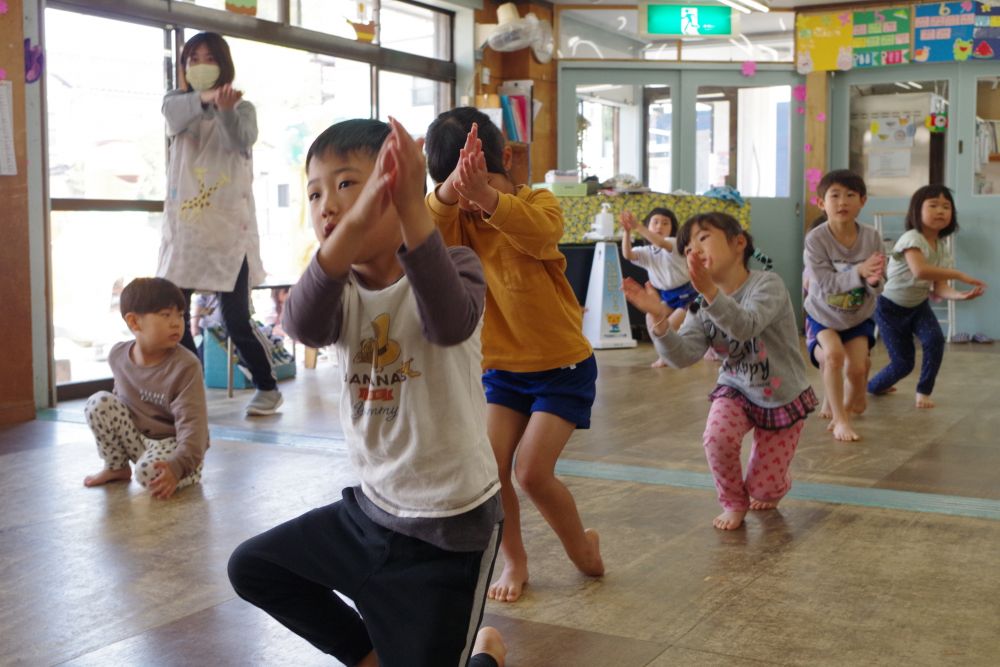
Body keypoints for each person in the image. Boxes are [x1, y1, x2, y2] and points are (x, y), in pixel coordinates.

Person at [227, 117, 506, 667]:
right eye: (315, 192)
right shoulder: (338, 292)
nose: (327, 204)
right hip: (369, 515)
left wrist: (411, 210)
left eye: (348, 184)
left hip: (448, 533)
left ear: (399, 192)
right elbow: (302, 325)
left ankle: (486, 655)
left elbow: (447, 323)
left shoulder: (455, 266)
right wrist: (350, 230)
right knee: (253, 566)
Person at [424, 107, 604, 604]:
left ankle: (583, 551)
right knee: (492, 471)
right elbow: (428, 232)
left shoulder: (536, 201)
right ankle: (515, 560)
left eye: (483, 182)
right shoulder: (457, 222)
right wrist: (449, 194)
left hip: (563, 366)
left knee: (531, 472)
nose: (470, 201)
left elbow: (540, 235)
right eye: (457, 189)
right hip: (503, 370)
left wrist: (485, 194)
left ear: (506, 160)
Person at [623, 213, 817, 530]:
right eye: (685, 248)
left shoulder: (767, 284)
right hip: (736, 387)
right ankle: (732, 502)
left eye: (703, 238)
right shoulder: (700, 305)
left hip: (782, 393)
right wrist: (659, 317)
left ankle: (774, 484)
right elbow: (683, 356)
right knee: (717, 438)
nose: (693, 251)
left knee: (764, 490)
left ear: (738, 243)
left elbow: (746, 326)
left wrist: (711, 293)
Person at [158, 31, 282, 416]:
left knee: (235, 319)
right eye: (193, 58)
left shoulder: (243, 109)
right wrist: (207, 99)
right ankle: (190, 383)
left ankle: (267, 386)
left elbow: (239, 139)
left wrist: (224, 107)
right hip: (188, 232)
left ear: (223, 64)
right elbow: (176, 116)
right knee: (170, 312)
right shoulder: (176, 103)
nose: (199, 65)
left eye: (208, 58)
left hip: (230, 232)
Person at [82, 278, 208, 499]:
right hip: (139, 440)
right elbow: (117, 402)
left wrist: (178, 466)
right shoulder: (118, 356)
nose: (176, 323)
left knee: (147, 473)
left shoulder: (186, 366)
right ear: (134, 322)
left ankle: (183, 474)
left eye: (180, 315)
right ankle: (116, 467)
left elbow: (194, 427)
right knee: (98, 402)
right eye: (165, 315)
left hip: (175, 447)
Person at [868, 185, 987, 408]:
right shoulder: (911, 238)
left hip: (918, 306)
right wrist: (959, 274)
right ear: (916, 211)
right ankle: (873, 386)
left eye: (946, 206)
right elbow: (921, 271)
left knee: (935, 341)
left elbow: (939, 286)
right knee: (903, 363)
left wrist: (960, 295)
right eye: (933, 205)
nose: (940, 211)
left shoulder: (941, 247)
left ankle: (924, 391)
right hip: (889, 309)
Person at [803, 170, 884, 442]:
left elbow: (878, 282)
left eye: (850, 195)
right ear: (821, 203)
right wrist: (860, 270)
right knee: (834, 357)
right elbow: (825, 283)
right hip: (822, 314)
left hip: (858, 316)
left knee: (857, 369)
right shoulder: (816, 239)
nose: (842, 202)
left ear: (863, 201)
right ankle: (840, 419)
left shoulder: (872, 237)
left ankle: (850, 404)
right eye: (834, 195)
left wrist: (873, 280)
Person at [620, 207, 697, 367]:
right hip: (667, 296)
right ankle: (665, 354)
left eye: (665, 223)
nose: (659, 226)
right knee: (651, 318)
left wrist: (637, 226)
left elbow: (660, 242)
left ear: (672, 229)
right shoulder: (646, 251)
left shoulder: (673, 243)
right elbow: (627, 254)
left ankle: (667, 357)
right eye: (655, 222)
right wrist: (627, 232)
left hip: (688, 294)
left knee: (669, 326)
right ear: (648, 226)